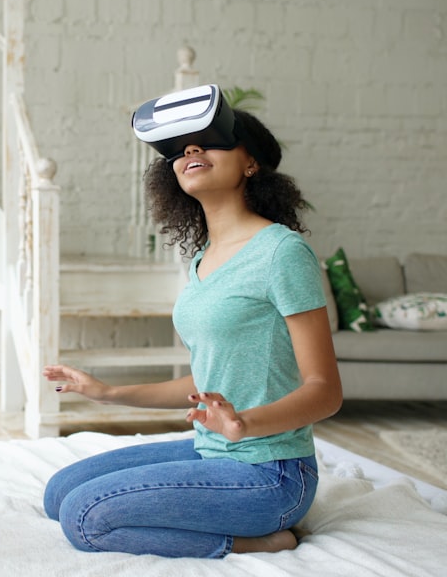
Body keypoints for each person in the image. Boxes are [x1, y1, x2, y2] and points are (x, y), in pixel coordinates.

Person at [42, 100, 342, 559]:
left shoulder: (282, 253)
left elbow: (325, 391)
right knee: (59, 494)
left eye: (211, 141)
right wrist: (108, 392)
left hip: (270, 473)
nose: (191, 151)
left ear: (251, 162)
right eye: (180, 148)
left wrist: (244, 424)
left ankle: (258, 541)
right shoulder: (203, 259)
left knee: (84, 518)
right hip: (212, 449)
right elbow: (208, 379)